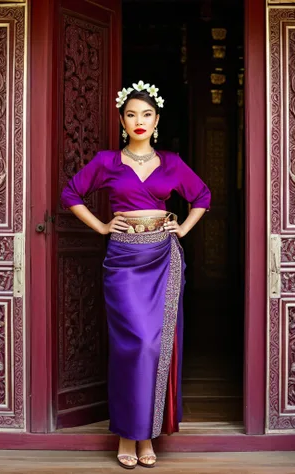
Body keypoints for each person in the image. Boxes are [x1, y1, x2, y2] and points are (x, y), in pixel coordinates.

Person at [61, 80, 211, 469]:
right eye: (131, 115)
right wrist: (101, 227)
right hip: (124, 261)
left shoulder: (172, 162)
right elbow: (71, 194)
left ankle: (146, 436)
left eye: (146, 114)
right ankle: (127, 432)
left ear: (156, 120)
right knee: (135, 345)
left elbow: (202, 197)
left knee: (157, 346)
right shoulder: (106, 162)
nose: (139, 121)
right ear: (122, 122)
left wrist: (182, 229)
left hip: (163, 257)